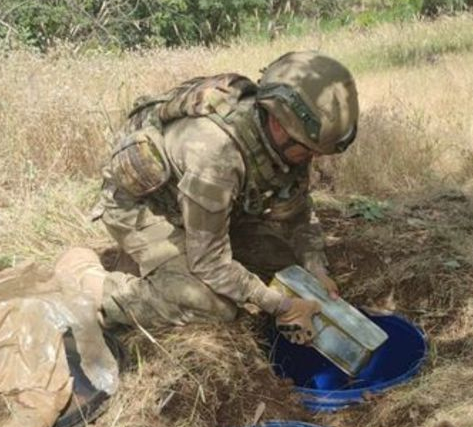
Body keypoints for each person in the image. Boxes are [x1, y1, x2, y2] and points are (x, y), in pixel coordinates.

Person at [57, 51, 359, 345]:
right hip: (144, 207)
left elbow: (298, 211)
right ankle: (94, 283)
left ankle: (155, 268)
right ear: (280, 124)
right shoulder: (216, 154)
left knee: (284, 265)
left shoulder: (285, 142)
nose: (314, 158)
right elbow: (210, 262)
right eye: (308, 150)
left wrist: (315, 268)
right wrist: (281, 307)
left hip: (200, 206)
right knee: (213, 306)